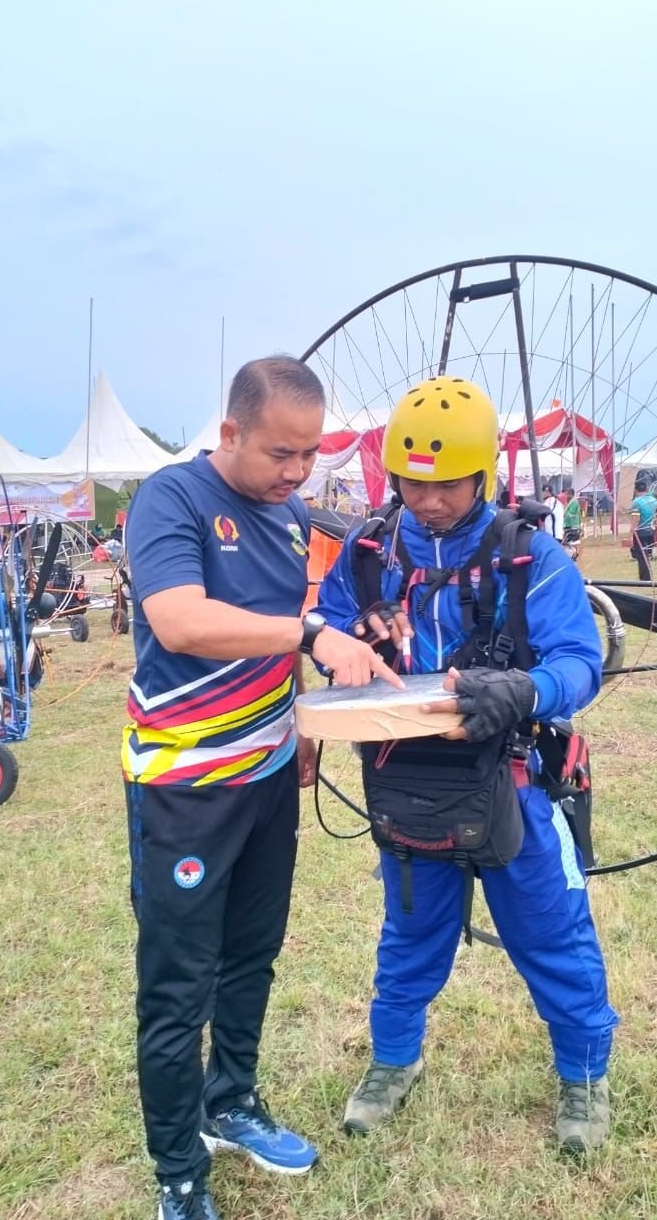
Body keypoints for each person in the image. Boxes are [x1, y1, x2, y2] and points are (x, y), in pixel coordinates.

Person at [122, 356, 400, 1220]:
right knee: (179, 985)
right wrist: (312, 632)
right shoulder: (171, 499)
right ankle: (178, 1172)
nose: (296, 472)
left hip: (270, 775)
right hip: (185, 786)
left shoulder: (287, 520)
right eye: (280, 452)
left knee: (251, 957)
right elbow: (181, 619)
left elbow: (278, 642)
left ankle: (231, 1102)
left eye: (309, 454)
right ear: (231, 432)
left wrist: (305, 718)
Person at [312, 376, 618, 1155]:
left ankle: (584, 1080)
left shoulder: (529, 557)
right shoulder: (368, 553)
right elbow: (325, 634)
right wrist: (336, 657)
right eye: (410, 481)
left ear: (481, 473)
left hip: (511, 783)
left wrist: (524, 688)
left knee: (551, 934)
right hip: (407, 787)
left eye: (444, 482)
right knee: (409, 937)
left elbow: (581, 661)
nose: (425, 498)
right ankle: (390, 1065)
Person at [628, 479, 657, 581]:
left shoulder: (636, 502)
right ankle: (647, 576)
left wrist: (630, 535)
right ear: (646, 489)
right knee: (647, 555)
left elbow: (635, 519)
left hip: (640, 532)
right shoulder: (653, 500)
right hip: (650, 530)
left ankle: (645, 579)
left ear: (636, 490)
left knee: (642, 557)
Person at [561, 487, 583, 559]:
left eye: (567, 494)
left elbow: (570, 514)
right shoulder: (570, 502)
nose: (566, 496)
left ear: (570, 494)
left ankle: (574, 555)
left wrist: (564, 512)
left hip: (573, 525)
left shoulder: (574, 502)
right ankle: (572, 555)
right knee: (568, 542)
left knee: (571, 542)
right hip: (569, 525)